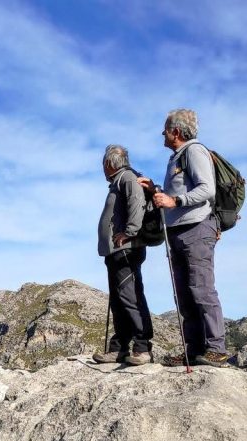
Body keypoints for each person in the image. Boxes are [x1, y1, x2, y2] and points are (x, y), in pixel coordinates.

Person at [138, 109, 229, 368]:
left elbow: (206, 189)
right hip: (180, 231)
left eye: (165, 129)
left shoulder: (194, 151)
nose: (162, 134)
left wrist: (175, 200)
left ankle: (216, 350)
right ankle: (194, 349)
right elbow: (177, 191)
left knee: (201, 289)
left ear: (176, 131)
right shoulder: (177, 157)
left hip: (197, 229)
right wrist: (156, 189)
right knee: (184, 293)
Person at [94, 144, 154, 365]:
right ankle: (119, 348)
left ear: (109, 163)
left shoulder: (127, 178)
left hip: (126, 250)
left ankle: (142, 347)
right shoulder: (119, 181)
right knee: (119, 299)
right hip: (115, 251)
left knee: (130, 297)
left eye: (103, 163)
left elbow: (136, 203)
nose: (102, 168)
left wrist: (129, 233)